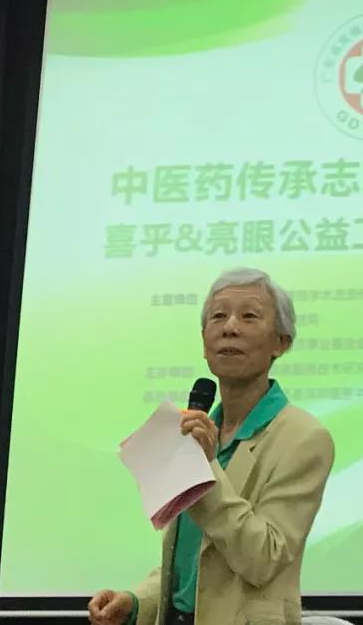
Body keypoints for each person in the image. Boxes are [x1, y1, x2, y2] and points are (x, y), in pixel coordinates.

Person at [88, 267, 335, 625]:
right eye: (218, 316)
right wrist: (136, 602)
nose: (229, 327)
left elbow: (263, 559)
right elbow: (193, 564)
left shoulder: (304, 438)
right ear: (205, 343)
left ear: (281, 342)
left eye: (249, 316)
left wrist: (207, 470)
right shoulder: (196, 432)